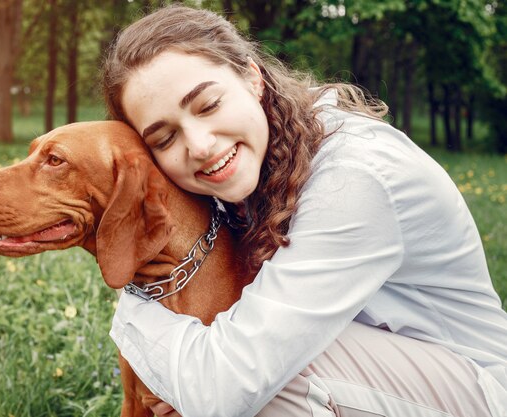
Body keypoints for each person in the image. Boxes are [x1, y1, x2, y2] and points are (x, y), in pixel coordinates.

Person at [102, 5, 507, 417]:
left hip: (478, 392)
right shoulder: (245, 173)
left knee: (263, 378)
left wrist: (135, 310)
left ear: (252, 78)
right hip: (388, 382)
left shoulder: (355, 178)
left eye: (208, 106)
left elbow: (227, 385)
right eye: (166, 137)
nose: (200, 145)